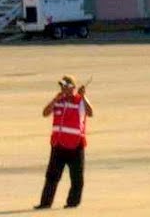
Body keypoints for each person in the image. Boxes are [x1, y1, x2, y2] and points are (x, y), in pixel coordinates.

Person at [35, 75, 94, 210]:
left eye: (65, 86)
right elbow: (45, 113)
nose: (62, 89)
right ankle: (45, 203)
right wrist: (55, 99)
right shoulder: (59, 101)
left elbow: (90, 113)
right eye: (61, 86)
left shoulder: (79, 101)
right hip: (58, 144)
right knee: (51, 176)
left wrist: (83, 97)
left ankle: (72, 203)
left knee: (76, 177)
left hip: (75, 144)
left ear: (72, 87)